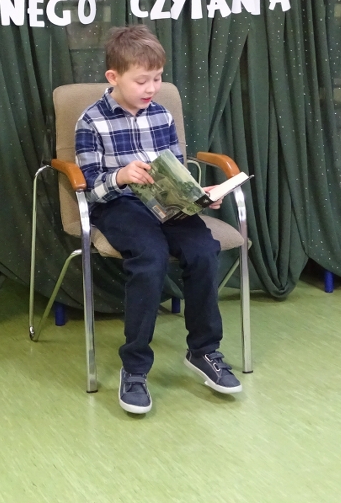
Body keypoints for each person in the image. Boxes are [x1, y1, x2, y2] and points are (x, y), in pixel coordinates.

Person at [74, 24, 242, 414]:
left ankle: (203, 351)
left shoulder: (162, 115)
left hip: (167, 204)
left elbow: (176, 172)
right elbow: (90, 188)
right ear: (113, 77)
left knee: (203, 250)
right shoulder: (91, 121)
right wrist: (121, 176)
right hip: (118, 206)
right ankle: (134, 368)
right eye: (142, 81)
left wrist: (198, 196)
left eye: (158, 78)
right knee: (149, 257)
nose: (152, 88)